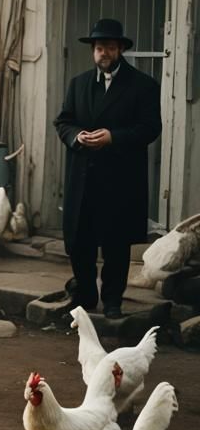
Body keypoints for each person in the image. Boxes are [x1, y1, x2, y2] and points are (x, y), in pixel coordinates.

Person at [54, 18, 161, 320]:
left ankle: (113, 299)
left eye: (110, 48)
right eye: (99, 48)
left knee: (116, 242)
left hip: (120, 179)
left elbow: (150, 128)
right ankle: (86, 294)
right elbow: (63, 121)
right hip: (83, 176)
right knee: (80, 241)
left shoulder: (143, 86)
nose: (104, 53)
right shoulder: (79, 84)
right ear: (93, 51)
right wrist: (77, 136)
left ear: (120, 50)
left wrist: (113, 137)